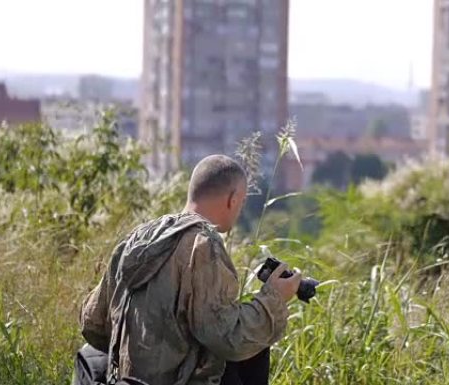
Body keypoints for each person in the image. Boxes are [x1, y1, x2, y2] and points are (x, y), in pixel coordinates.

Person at [78, 155, 301, 385]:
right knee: (253, 352)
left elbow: (92, 321)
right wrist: (274, 297)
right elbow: (228, 339)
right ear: (232, 199)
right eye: (242, 201)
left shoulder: (138, 237)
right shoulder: (203, 245)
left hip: (125, 380)